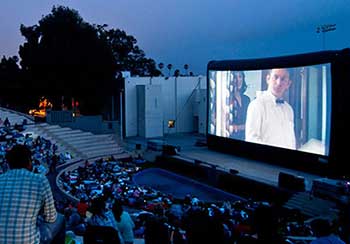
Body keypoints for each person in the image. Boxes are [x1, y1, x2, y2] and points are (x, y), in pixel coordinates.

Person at [0, 144, 65, 244]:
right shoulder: (40, 180)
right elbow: (51, 217)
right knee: (60, 218)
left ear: (9, 164)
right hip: (26, 241)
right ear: (29, 162)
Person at [245, 68, 296, 149]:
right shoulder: (256, 105)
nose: (279, 83)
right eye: (275, 77)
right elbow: (251, 139)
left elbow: (291, 141)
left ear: (288, 84)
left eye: (283, 79)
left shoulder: (289, 109)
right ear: (268, 79)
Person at [226, 71, 251, 140]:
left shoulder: (247, 99)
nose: (238, 80)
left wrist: (238, 127)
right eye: (235, 77)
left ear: (243, 79)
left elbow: (250, 122)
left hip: (245, 138)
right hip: (231, 138)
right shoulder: (227, 98)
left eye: (240, 77)